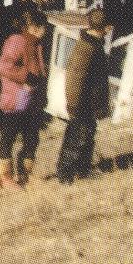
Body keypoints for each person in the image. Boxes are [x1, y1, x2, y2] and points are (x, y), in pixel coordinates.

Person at [0, 9, 48, 189]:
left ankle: (24, 175)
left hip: (32, 101)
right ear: (34, 27)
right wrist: (26, 77)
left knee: (31, 138)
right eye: (43, 26)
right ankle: (5, 177)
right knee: (8, 137)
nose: (45, 30)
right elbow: (2, 66)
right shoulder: (17, 41)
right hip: (16, 99)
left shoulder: (36, 43)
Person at [56, 9, 110, 183]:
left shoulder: (92, 44)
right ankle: (66, 174)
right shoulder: (87, 48)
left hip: (88, 102)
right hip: (81, 103)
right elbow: (74, 77)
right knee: (76, 139)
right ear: (105, 27)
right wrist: (73, 105)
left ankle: (82, 170)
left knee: (86, 136)